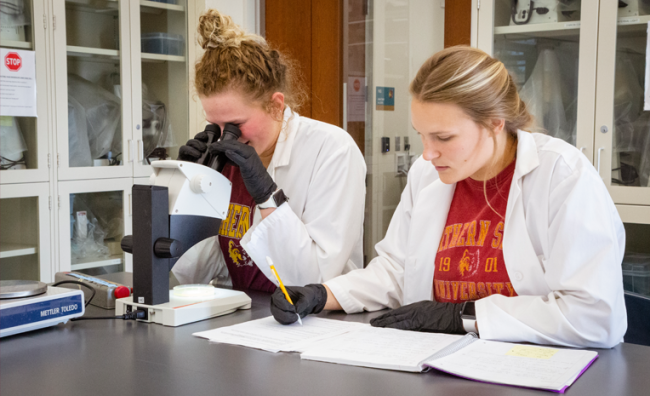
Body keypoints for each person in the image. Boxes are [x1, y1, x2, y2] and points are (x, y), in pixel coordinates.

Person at [270, 46, 627, 349]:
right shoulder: (429, 175)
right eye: (422, 136)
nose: (427, 153)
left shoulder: (562, 176)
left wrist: (463, 315)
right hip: (437, 361)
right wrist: (321, 295)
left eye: (443, 138)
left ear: (495, 123)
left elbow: (595, 316)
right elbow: (396, 271)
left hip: (530, 367)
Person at [172, 9, 366, 292]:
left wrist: (267, 198)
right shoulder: (226, 162)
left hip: (316, 324)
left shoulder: (332, 150)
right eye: (215, 125)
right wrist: (189, 195)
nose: (228, 137)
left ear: (276, 105)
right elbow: (194, 274)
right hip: (244, 315)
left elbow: (313, 279)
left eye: (236, 125)